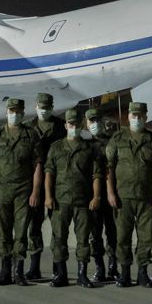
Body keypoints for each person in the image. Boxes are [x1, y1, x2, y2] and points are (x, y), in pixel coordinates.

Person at [105, 102, 152, 288]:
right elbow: (109, 167)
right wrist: (110, 192)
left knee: (146, 237)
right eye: (134, 115)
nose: (137, 118)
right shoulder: (117, 138)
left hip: (147, 197)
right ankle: (124, 273)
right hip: (123, 197)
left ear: (146, 116)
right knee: (122, 237)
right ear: (128, 117)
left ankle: (142, 273)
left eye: (140, 116)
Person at [0, 97, 43, 286]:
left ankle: (18, 271)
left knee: (21, 232)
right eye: (11, 111)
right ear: (6, 112)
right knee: (3, 233)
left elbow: (37, 166)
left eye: (18, 111)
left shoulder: (31, 135)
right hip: (1, 191)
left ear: (23, 112)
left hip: (23, 191)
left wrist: (35, 192)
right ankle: (5, 270)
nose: (14, 114)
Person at [44, 108, 104, 288]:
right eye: (71, 124)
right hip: (60, 202)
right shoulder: (56, 147)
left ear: (81, 125)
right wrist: (48, 196)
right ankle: (61, 274)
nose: (74, 127)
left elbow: (96, 175)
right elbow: (49, 174)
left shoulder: (89, 149)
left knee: (83, 240)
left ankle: (82, 275)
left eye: (77, 124)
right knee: (59, 238)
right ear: (66, 125)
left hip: (83, 202)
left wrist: (96, 197)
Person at [23, 92, 66, 280]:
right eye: (41, 107)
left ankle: (58, 266)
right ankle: (34, 267)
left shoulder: (61, 128)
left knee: (57, 227)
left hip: (57, 185)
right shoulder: (28, 128)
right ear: (35, 107)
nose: (43, 110)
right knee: (34, 227)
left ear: (52, 107)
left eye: (47, 107)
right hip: (33, 186)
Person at [85, 108, 118, 282]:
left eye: (97, 121)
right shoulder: (85, 145)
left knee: (113, 232)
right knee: (95, 234)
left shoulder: (112, 142)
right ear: (87, 124)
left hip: (112, 195)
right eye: (91, 121)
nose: (94, 124)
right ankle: (99, 267)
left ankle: (113, 267)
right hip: (93, 197)